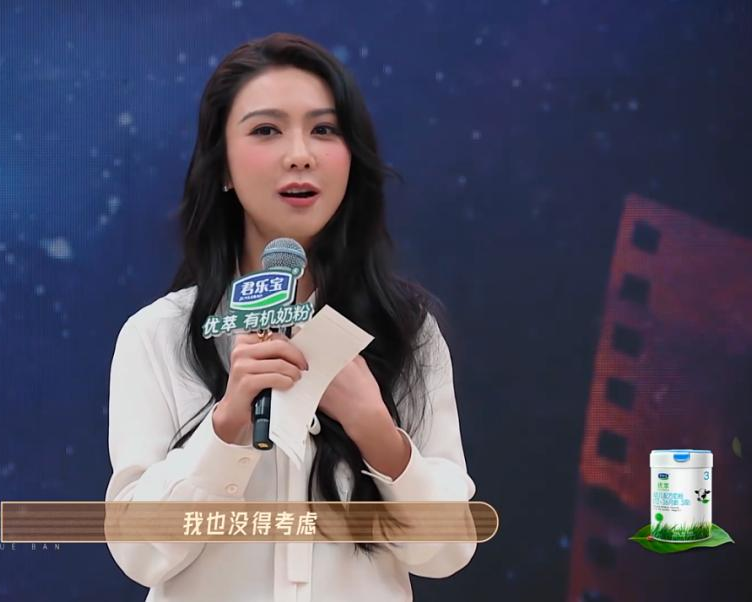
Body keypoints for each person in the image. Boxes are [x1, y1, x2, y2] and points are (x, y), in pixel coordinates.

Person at [105, 32, 476, 601]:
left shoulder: (404, 329)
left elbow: (448, 551)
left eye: (324, 130)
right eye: (266, 130)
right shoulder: (158, 334)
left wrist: (376, 431)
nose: (300, 154)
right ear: (223, 167)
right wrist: (225, 427)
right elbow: (138, 553)